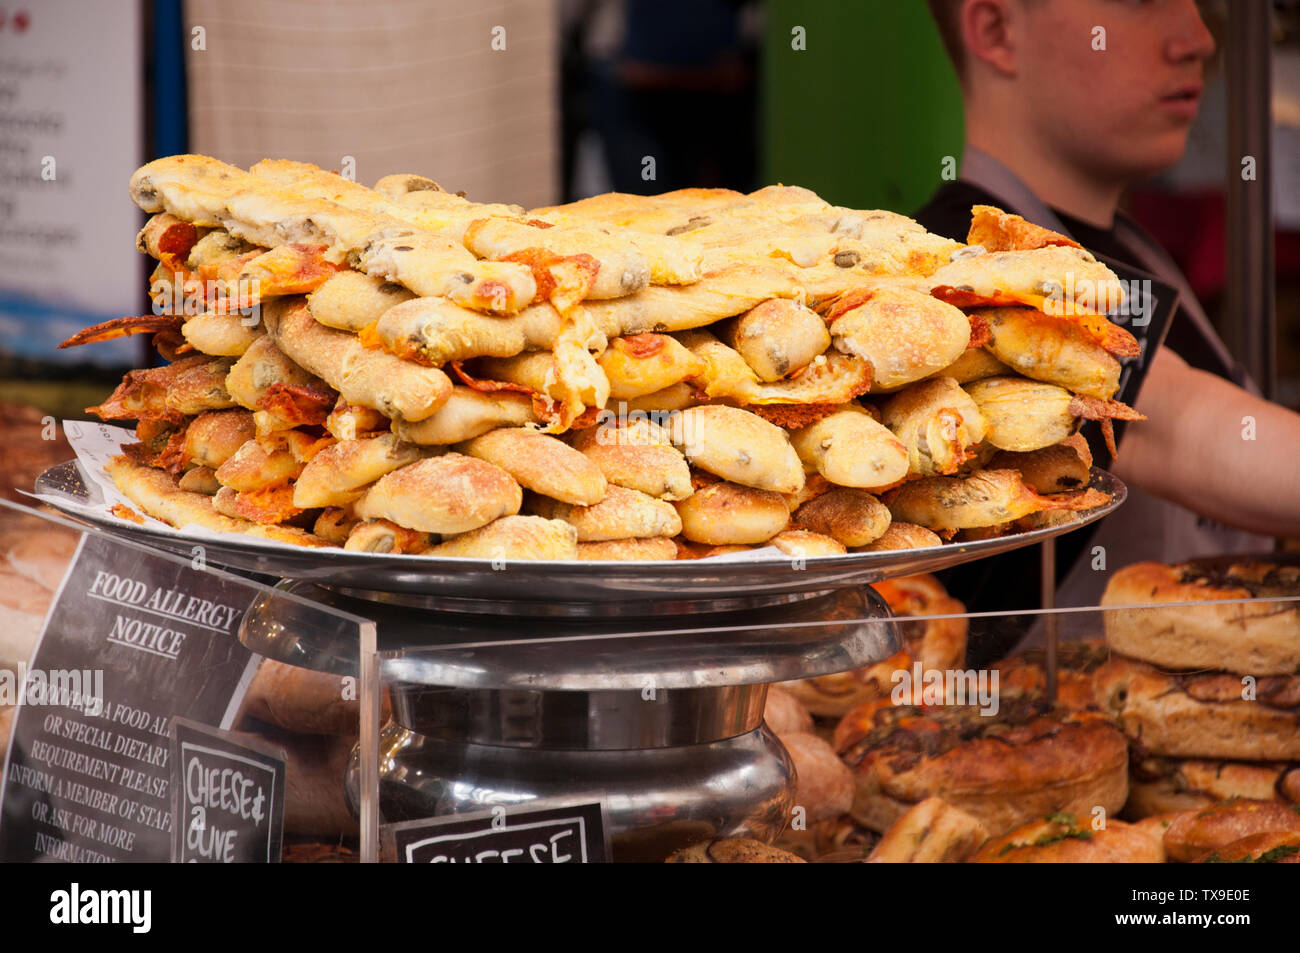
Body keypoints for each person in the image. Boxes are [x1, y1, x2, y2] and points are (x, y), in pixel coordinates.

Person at [913, 0, 1300, 617]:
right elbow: (1184, 433)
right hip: (1045, 705)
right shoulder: (964, 273)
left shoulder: (1125, 245)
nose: (1199, 38)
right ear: (995, 30)